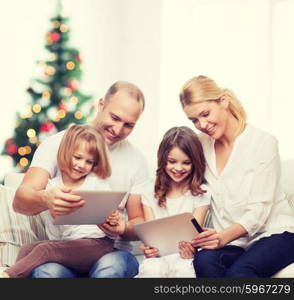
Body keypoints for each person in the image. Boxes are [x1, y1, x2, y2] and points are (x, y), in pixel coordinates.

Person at [13, 81, 149, 278]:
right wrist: (46, 199)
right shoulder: (58, 144)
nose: (118, 130)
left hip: (111, 252)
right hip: (65, 253)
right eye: (115, 118)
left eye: (128, 125)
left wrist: (122, 227)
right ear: (101, 104)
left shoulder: (136, 160)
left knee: (112, 267)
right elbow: (20, 201)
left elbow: (139, 222)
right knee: (46, 272)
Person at [179, 75, 294, 277]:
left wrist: (222, 237)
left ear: (223, 101)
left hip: (274, 234)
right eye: (194, 120)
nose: (202, 124)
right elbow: (186, 190)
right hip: (233, 241)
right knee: (204, 261)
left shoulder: (263, 143)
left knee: (240, 273)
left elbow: (259, 211)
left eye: (205, 114)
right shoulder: (201, 145)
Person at [0, 124, 121, 278]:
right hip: (69, 246)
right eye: (77, 157)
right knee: (27, 248)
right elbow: (56, 229)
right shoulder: (52, 186)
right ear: (66, 153)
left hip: (98, 244)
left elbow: (111, 217)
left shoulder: (97, 183)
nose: (82, 165)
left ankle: (8, 276)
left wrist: (112, 218)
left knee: (45, 249)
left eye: (89, 161)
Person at [137, 126, 210, 278]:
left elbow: (194, 237)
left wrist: (191, 250)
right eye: (172, 161)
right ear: (163, 159)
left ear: (195, 162)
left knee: (184, 271)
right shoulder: (149, 192)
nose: (178, 168)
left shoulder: (201, 193)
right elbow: (151, 236)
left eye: (186, 163)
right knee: (152, 269)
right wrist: (149, 249)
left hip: (185, 257)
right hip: (157, 258)